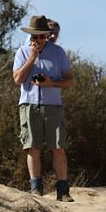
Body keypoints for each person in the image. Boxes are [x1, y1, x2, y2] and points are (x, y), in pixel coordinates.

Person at [12, 14, 74, 201]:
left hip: (53, 105)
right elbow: (17, 79)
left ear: (47, 35)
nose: (38, 40)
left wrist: (50, 83)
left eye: (41, 36)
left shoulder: (58, 53)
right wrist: (32, 57)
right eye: (34, 36)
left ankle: (63, 191)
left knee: (58, 147)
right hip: (29, 104)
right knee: (32, 147)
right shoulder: (22, 52)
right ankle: (35, 188)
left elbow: (70, 81)